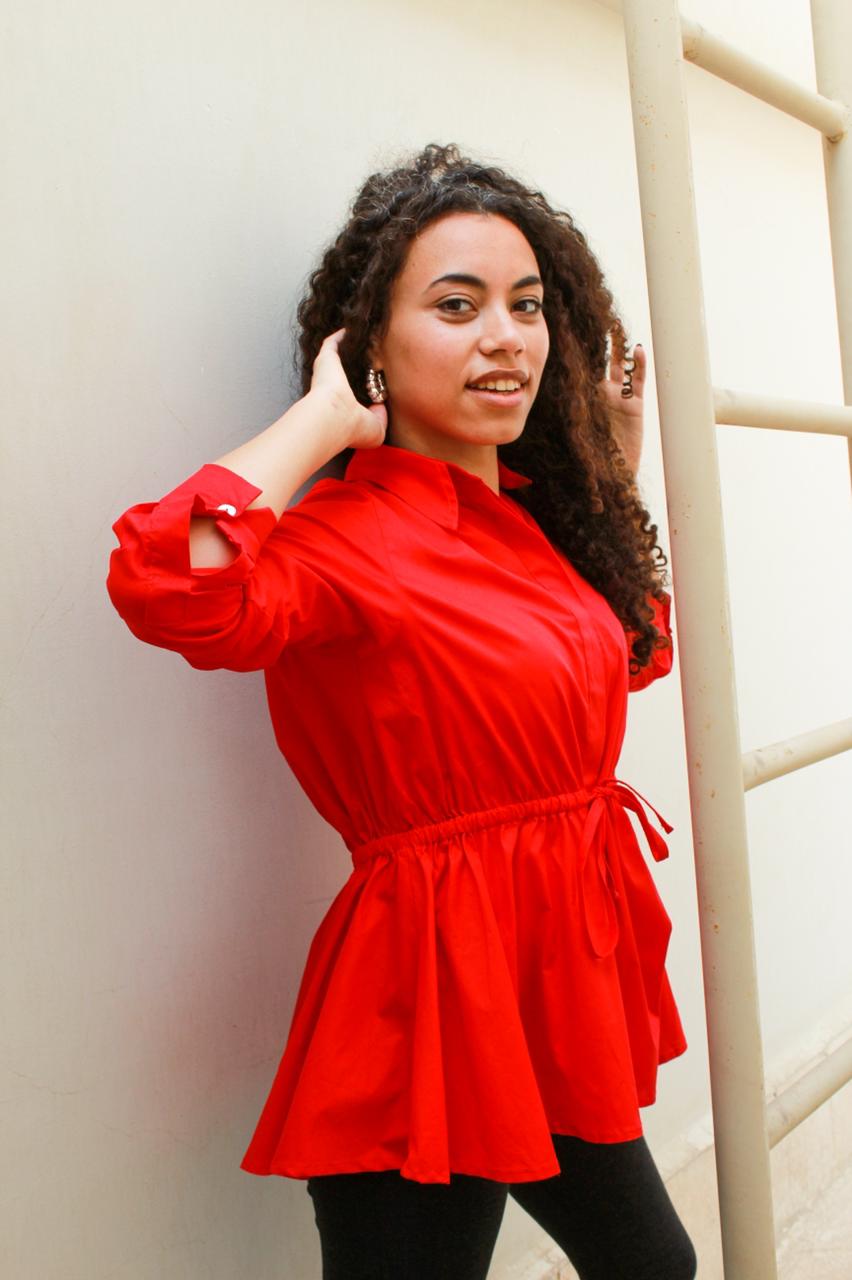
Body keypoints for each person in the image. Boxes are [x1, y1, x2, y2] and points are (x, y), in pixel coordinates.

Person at [106, 142, 697, 1279]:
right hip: (429, 1001)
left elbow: (623, 660)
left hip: (553, 989)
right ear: (371, 343)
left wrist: (612, 475)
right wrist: (325, 422)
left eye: (526, 305)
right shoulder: (341, 541)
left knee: (654, 1266)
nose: (506, 336)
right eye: (457, 304)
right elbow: (167, 581)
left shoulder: (533, 519)